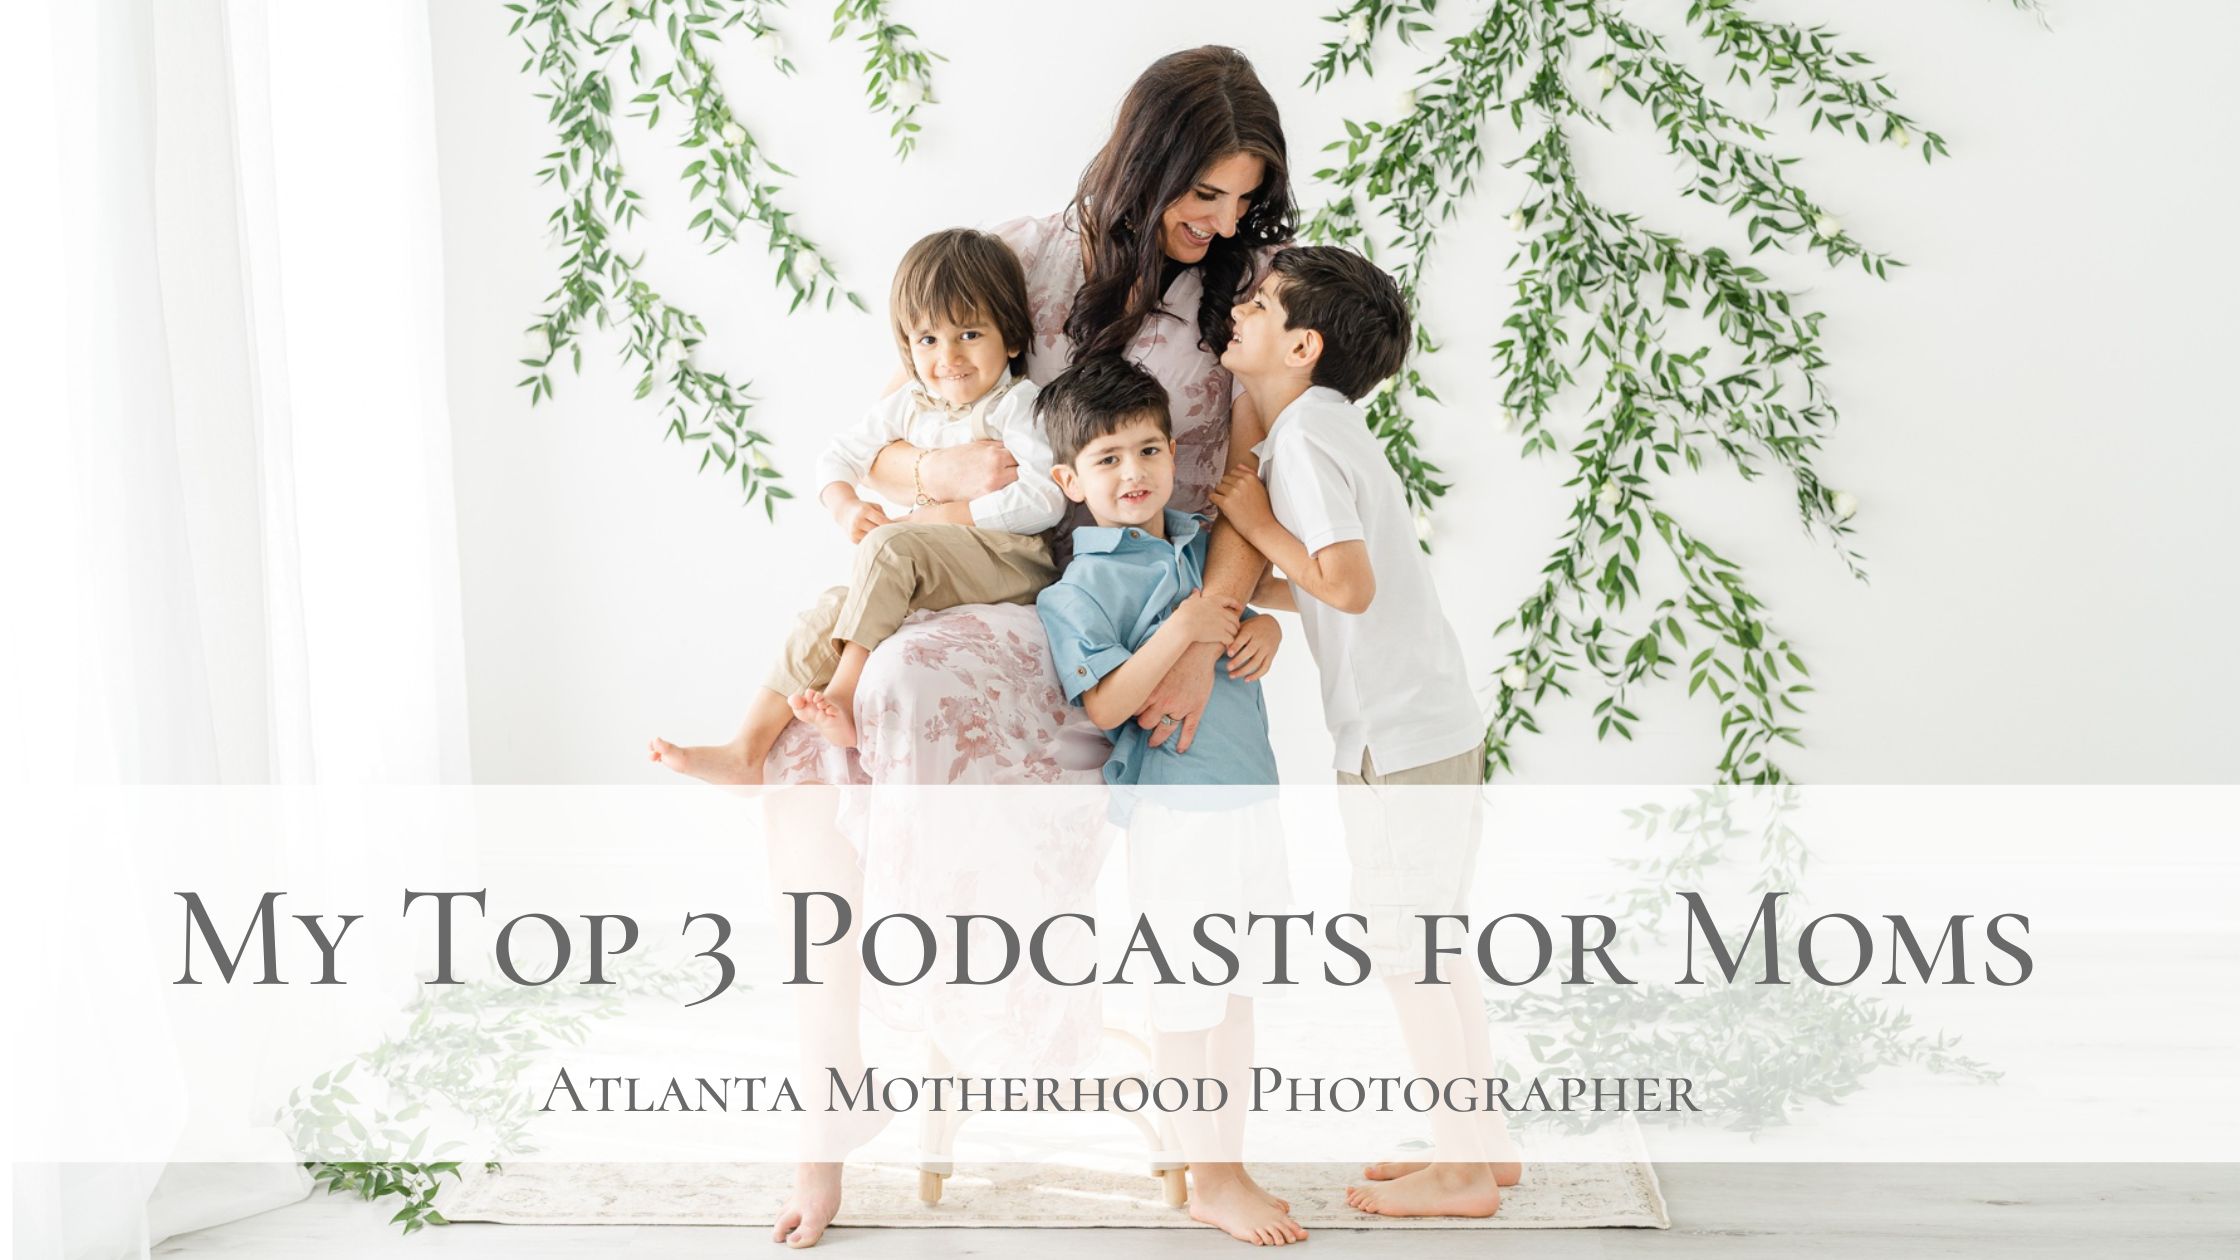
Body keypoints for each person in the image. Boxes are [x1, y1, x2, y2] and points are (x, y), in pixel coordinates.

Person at [1209, 246, 1520, 1219]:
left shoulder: (1299, 441)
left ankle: (1464, 1172)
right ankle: (1479, 1144)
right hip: (1423, 724)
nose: (1236, 311)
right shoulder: (1327, 424)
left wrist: (1252, 519)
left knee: (1405, 947)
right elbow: (1331, 586)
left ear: (1299, 345)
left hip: (1397, 736)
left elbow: (1344, 584)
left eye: (1253, 304)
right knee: (1431, 941)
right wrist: (1253, 593)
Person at [1033, 357, 1303, 1248]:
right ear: (1069, 481)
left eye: (1147, 449)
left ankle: (1228, 1158)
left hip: (1253, 798)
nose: (1134, 473)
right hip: (1178, 815)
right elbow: (1106, 706)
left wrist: (1254, 624)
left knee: (1238, 997)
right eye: (1107, 460)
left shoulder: (1200, 539)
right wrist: (1183, 630)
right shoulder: (1078, 589)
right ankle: (1212, 1179)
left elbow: (1271, 600)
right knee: (1189, 998)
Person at [647, 228, 1063, 782]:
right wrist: (845, 508)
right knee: (834, 606)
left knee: (891, 546)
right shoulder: (909, 405)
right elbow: (834, 457)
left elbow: (1047, 498)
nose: (949, 357)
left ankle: (842, 698)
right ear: (908, 348)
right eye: (928, 340)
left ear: (1010, 338)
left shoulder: (1019, 406)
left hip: (1013, 560)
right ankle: (746, 750)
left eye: (969, 333)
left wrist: (945, 516)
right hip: (939, 561)